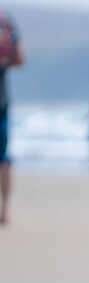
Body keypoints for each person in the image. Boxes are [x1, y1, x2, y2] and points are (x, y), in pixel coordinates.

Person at [0, 10, 23, 226]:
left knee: (4, 159)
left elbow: (20, 60)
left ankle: (4, 209)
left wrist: (13, 38)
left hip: (1, 104)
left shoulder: (6, 26)